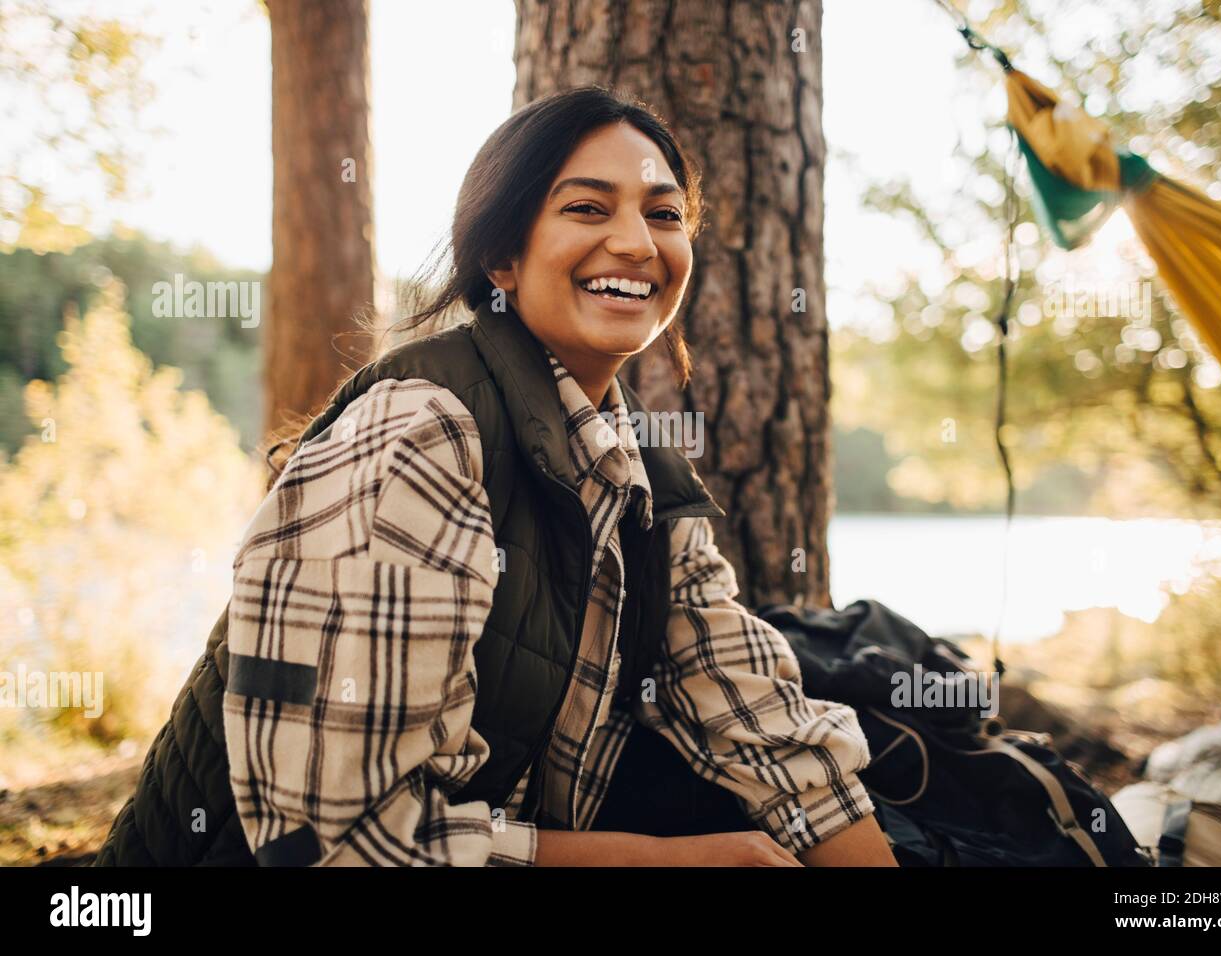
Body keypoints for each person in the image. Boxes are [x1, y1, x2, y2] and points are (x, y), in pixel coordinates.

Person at [221, 85, 897, 868]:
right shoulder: (422, 436)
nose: (638, 243)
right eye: (586, 208)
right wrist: (681, 862)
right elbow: (341, 847)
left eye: (664, 214)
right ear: (502, 258)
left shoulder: (639, 466)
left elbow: (761, 719)